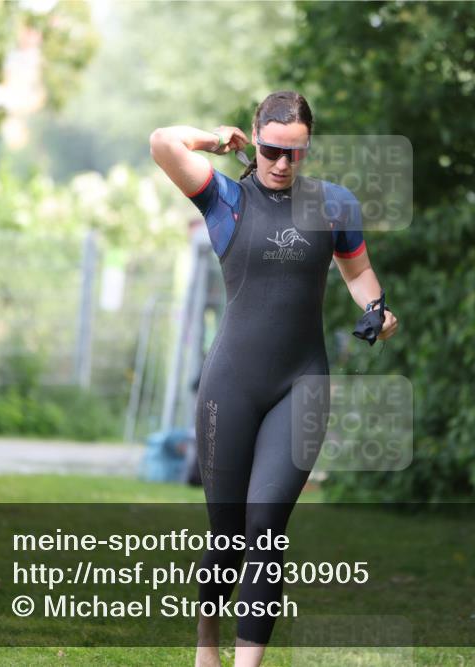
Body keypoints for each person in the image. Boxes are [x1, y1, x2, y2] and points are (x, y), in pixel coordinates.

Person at [149, 90, 398, 667]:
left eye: (296, 153)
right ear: (254, 140)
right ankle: (205, 646)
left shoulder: (334, 206)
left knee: (265, 528)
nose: (283, 164)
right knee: (228, 536)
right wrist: (214, 139)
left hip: (301, 385)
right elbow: (163, 143)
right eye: (271, 150)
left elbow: (360, 276)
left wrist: (379, 313)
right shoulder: (225, 198)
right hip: (230, 385)